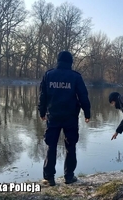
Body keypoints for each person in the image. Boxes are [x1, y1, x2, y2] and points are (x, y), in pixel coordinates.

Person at [38, 51, 91, 186]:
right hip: (70, 117)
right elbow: (83, 96)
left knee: (51, 146)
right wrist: (87, 113)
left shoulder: (49, 75)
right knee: (71, 146)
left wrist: (42, 111)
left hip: (53, 116)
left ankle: (49, 178)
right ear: (71, 62)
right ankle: (69, 176)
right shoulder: (75, 77)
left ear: (58, 60)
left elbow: (43, 95)